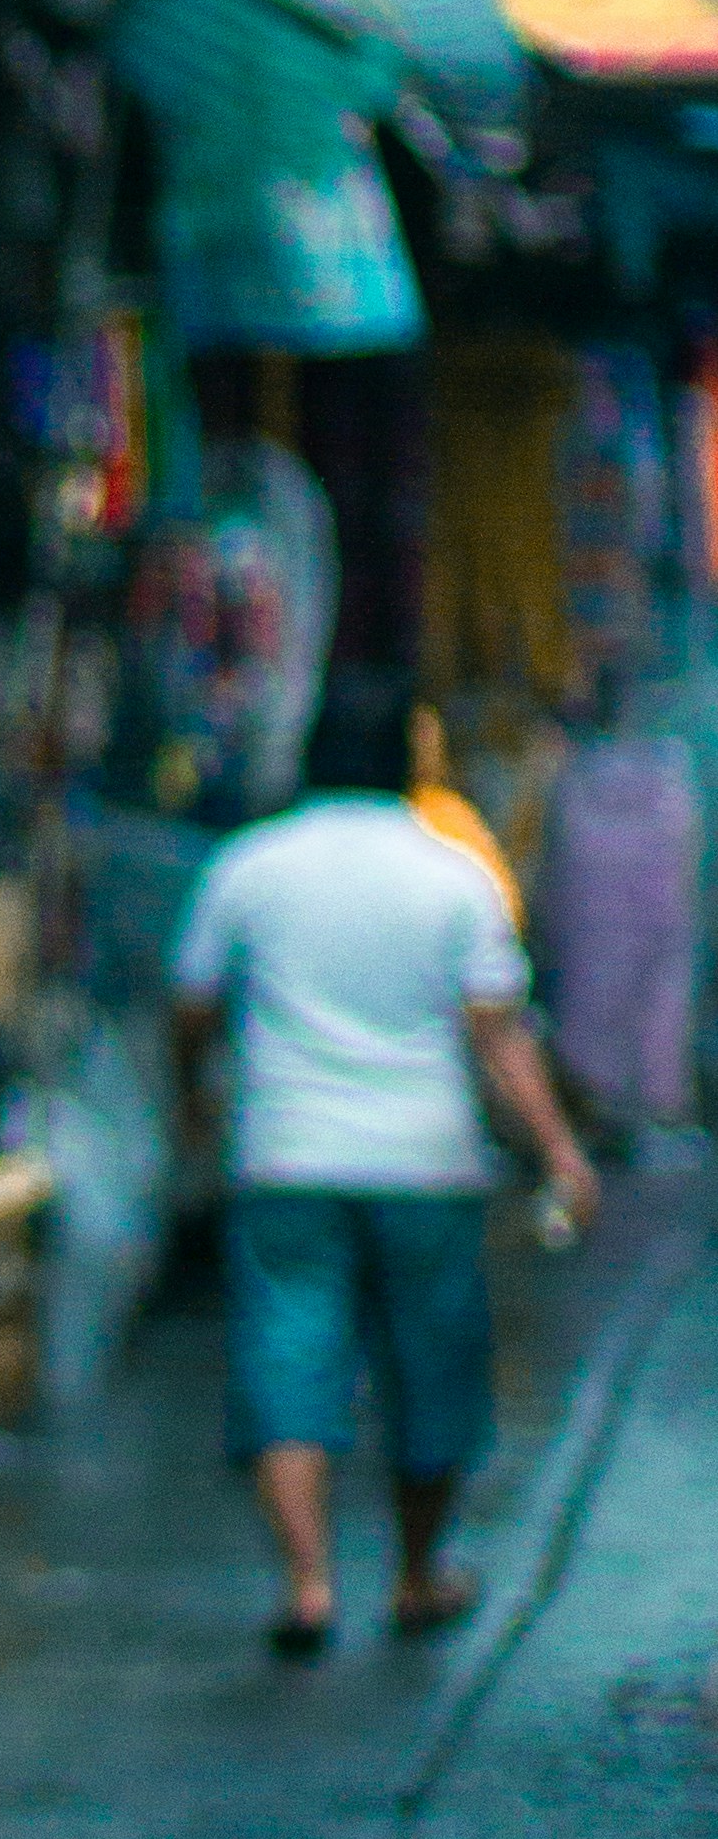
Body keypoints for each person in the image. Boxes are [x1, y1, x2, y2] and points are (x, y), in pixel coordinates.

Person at [174, 657, 598, 1659]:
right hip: (426, 1164)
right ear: (410, 760)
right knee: (431, 1368)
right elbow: (498, 1038)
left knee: (287, 1359)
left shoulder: (248, 865)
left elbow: (191, 1005)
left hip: (284, 1157)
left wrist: (193, 1100)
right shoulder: (453, 875)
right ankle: (416, 1575)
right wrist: (558, 1149)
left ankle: (307, 1584)